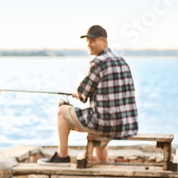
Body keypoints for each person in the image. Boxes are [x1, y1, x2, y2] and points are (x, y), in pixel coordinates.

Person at [38, 25, 138, 166]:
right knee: (99, 130)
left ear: (104, 41)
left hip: (107, 123)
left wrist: (76, 94)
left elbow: (83, 94)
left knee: (62, 111)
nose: (89, 45)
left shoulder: (99, 62)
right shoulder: (122, 61)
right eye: (87, 41)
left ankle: (62, 156)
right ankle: (104, 167)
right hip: (126, 124)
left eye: (92, 41)